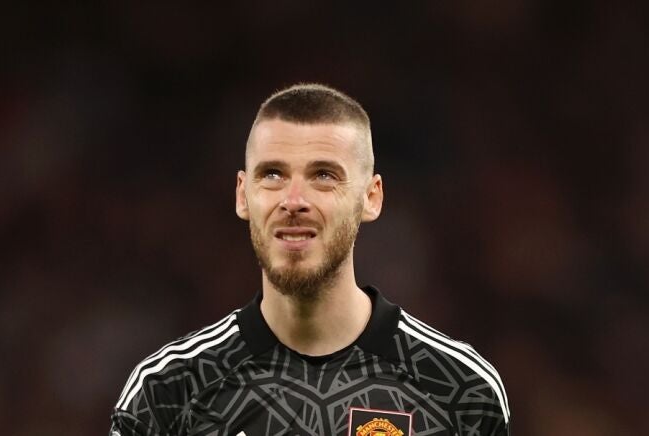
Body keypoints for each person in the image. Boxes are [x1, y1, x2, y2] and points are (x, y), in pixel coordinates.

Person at [110, 84, 510, 436]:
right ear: (242, 195)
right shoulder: (168, 392)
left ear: (371, 198)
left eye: (323, 175)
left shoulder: (459, 390)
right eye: (272, 174)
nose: (294, 201)